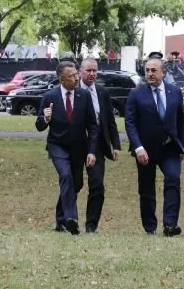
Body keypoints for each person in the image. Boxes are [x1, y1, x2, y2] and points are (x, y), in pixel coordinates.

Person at [125, 56, 184, 237]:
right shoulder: (136, 94)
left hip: (170, 148)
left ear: (163, 72)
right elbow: (130, 123)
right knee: (146, 188)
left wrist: (182, 145)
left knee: (173, 180)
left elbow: (181, 120)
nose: (150, 74)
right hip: (145, 149)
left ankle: (170, 224)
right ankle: (150, 226)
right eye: (147, 71)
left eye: (154, 70)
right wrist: (138, 148)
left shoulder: (175, 92)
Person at [35, 61, 99, 235]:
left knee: (75, 184)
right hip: (57, 146)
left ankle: (60, 219)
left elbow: (93, 126)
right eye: (71, 76)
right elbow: (39, 125)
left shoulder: (84, 96)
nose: (76, 78)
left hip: (79, 148)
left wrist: (92, 151)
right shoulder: (50, 96)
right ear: (61, 79)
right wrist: (46, 119)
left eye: (76, 74)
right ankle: (71, 218)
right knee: (66, 176)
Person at [78, 58, 121, 233]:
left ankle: (91, 226)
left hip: (98, 146)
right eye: (88, 70)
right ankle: (65, 220)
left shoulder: (102, 93)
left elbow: (110, 120)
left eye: (95, 71)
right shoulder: (74, 91)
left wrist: (116, 144)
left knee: (97, 186)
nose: (92, 74)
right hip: (76, 144)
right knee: (73, 184)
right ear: (81, 71)